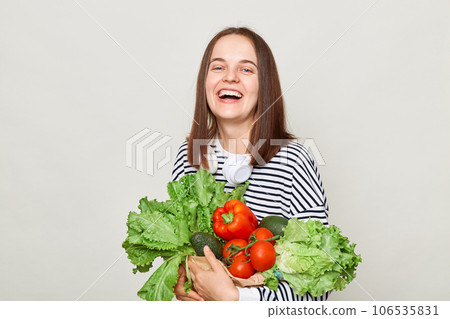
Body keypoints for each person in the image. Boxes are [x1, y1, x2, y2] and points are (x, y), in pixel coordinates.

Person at [171, 26, 331, 301]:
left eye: (246, 70)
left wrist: (235, 301)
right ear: (205, 82)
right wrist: (182, 283)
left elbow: (317, 286)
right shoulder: (188, 159)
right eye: (218, 67)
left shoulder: (294, 162)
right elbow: (182, 258)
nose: (230, 77)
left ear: (264, 86)